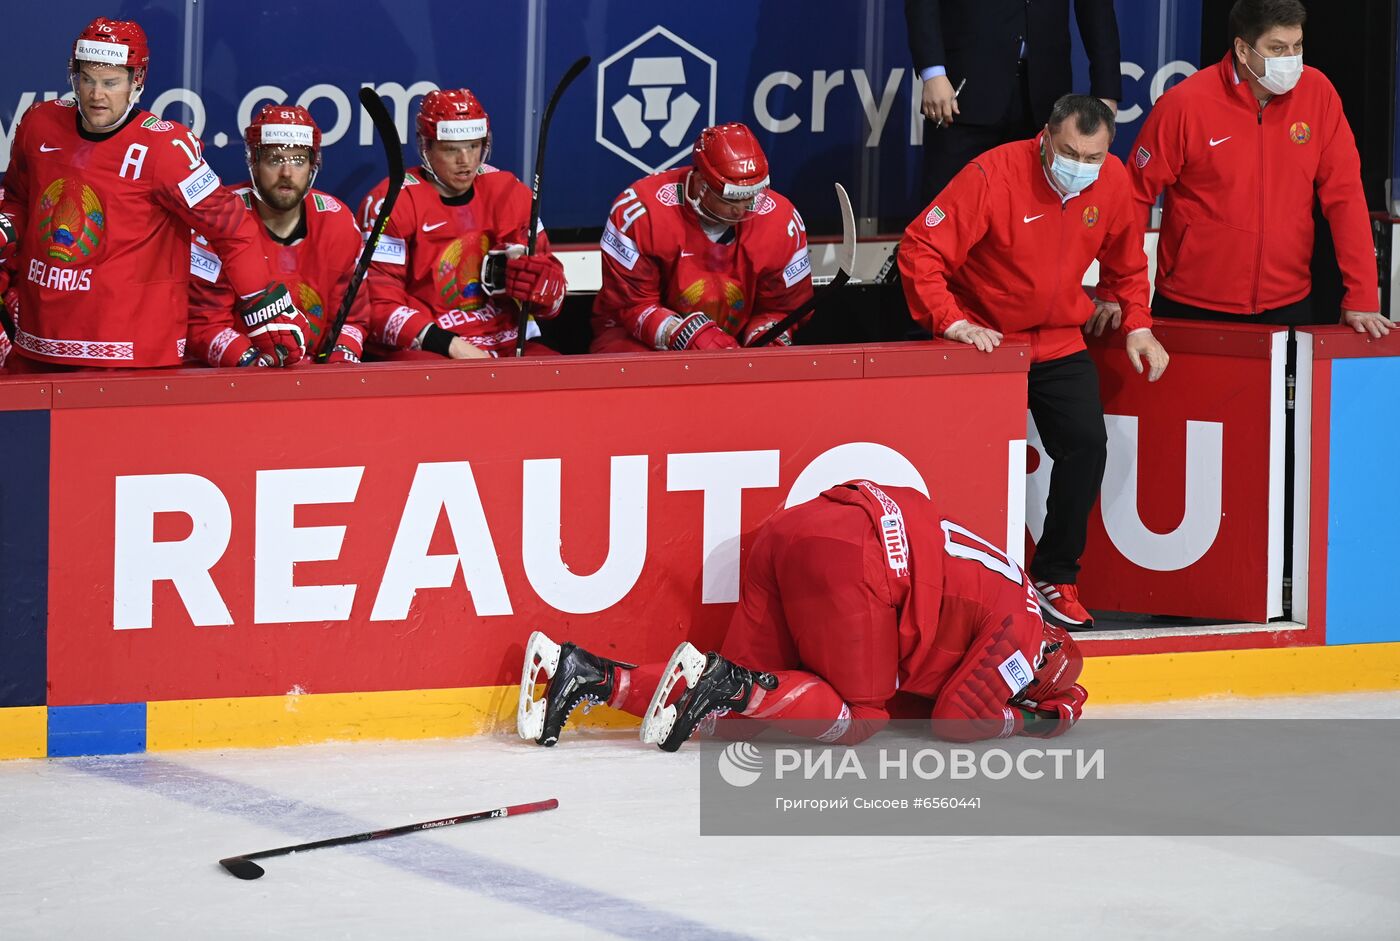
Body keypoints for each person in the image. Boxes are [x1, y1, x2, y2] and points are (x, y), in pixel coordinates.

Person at [518, 481, 1086, 752]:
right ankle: (729, 684)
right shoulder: (1027, 636)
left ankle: (584, 673)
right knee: (860, 718)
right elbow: (959, 723)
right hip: (860, 561)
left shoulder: (1014, 588)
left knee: (746, 711)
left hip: (802, 526)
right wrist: (1038, 720)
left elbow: (926, 701)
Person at [899, 95, 1170, 630]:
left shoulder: (1112, 181)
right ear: (1045, 138)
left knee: (1088, 447)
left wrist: (1138, 323)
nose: (1082, 167)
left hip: (1058, 340)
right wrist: (952, 321)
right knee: (964, 464)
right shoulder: (992, 174)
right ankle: (949, 586)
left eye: (1093, 157)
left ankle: (1055, 574)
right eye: (1070, 152)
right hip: (985, 340)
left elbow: (1127, 264)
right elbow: (919, 250)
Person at [0, 17, 303, 372]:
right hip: (39, 344)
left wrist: (261, 302)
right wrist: (6, 226)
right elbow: (20, 200)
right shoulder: (39, 123)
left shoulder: (165, 149)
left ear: (137, 80)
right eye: (88, 80)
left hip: (129, 356)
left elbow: (232, 229)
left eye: (111, 82)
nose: (97, 95)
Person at [1126, 0, 1389, 337]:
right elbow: (1132, 197)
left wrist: (1363, 294)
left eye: (1297, 46)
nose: (1291, 59)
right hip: (1191, 303)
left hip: (1288, 303)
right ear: (1242, 49)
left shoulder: (1318, 94)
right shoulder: (1185, 104)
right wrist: (1118, 294)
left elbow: (1346, 197)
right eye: (1277, 48)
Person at [359, 88, 566, 360]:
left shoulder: (510, 192)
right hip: (430, 348)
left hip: (506, 342)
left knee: (561, 377)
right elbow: (377, 304)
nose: (465, 161)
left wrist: (547, 290)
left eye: (473, 146)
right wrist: (452, 346)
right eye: (451, 149)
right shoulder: (392, 202)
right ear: (426, 147)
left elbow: (552, 302)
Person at [591, 123, 813, 354]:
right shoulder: (641, 212)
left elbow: (783, 308)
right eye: (731, 199)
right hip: (636, 337)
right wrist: (680, 333)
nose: (742, 210)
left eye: (750, 196)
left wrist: (767, 334)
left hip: (734, 343)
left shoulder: (783, 222)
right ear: (700, 184)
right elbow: (632, 305)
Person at [185, 105, 361, 367]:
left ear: (314, 164)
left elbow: (351, 317)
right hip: (236, 380)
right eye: (275, 159)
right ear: (253, 162)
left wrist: (340, 360)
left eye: (299, 160)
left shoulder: (338, 221)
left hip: (311, 375)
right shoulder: (218, 220)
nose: (287, 173)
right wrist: (251, 363)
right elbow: (203, 323)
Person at [905, 0, 1122, 203]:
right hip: (962, 91)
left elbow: (1096, 8)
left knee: (1032, 215)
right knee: (947, 207)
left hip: (1045, 95)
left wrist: (1106, 89)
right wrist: (932, 72)